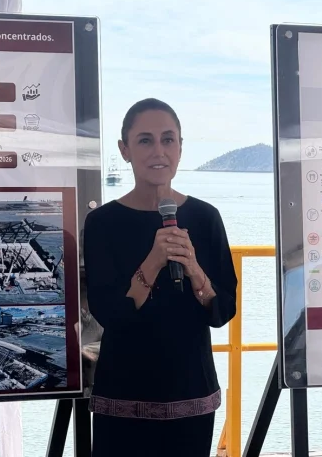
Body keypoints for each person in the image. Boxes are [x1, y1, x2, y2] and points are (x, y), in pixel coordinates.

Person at [83, 98, 238, 457]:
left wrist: (194, 268)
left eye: (168, 139)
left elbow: (223, 310)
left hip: (191, 395)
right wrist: (153, 262)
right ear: (124, 150)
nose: (159, 151)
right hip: (123, 394)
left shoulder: (206, 217)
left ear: (180, 147)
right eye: (145, 140)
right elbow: (110, 314)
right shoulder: (102, 223)